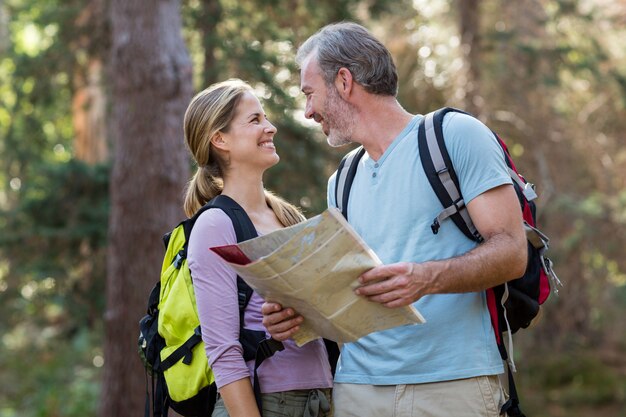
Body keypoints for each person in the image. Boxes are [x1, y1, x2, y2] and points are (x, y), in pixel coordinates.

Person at [261, 22, 528, 417]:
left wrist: (425, 277)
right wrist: (301, 314)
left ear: (345, 81)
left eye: (310, 93)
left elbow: (512, 252)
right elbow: (351, 290)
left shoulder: (455, 136)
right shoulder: (343, 180)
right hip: (357, 388)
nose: (308, 111)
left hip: (453, 385)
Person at [183, 79, 333, 417]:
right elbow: (223, 351)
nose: (271, 127)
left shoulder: (288, 216)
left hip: (319, 398)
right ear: (220, 139)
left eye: (265, 118)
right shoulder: (215, 225)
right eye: (255, 121)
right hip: (266, 402)